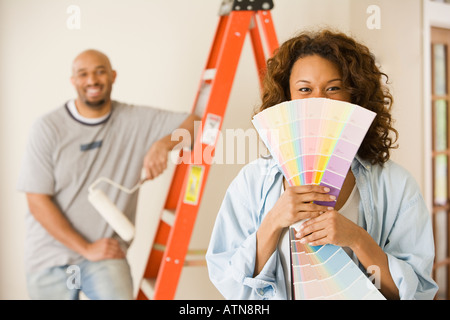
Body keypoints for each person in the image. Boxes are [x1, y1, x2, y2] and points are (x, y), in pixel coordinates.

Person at [205, 29, 438, 300]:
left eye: (333, 88)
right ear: (287, 98)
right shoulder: (252, 181)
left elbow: (417, 294)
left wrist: (357, 239)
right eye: (305, 89)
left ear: (355, 96)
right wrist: (273, 221)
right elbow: (232, 287)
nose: (318, 101)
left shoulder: (397, 186)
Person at [17, 49, 199, 300]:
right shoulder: (48, 128)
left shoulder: (136, 120)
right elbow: (37, 201)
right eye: (83, 74)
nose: (92, 80)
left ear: (113, 76)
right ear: (73, 81)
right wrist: (86, 249)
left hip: (105, 256)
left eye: (100, 72)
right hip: (51, 257)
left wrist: (164, 145)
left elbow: (198, 124)